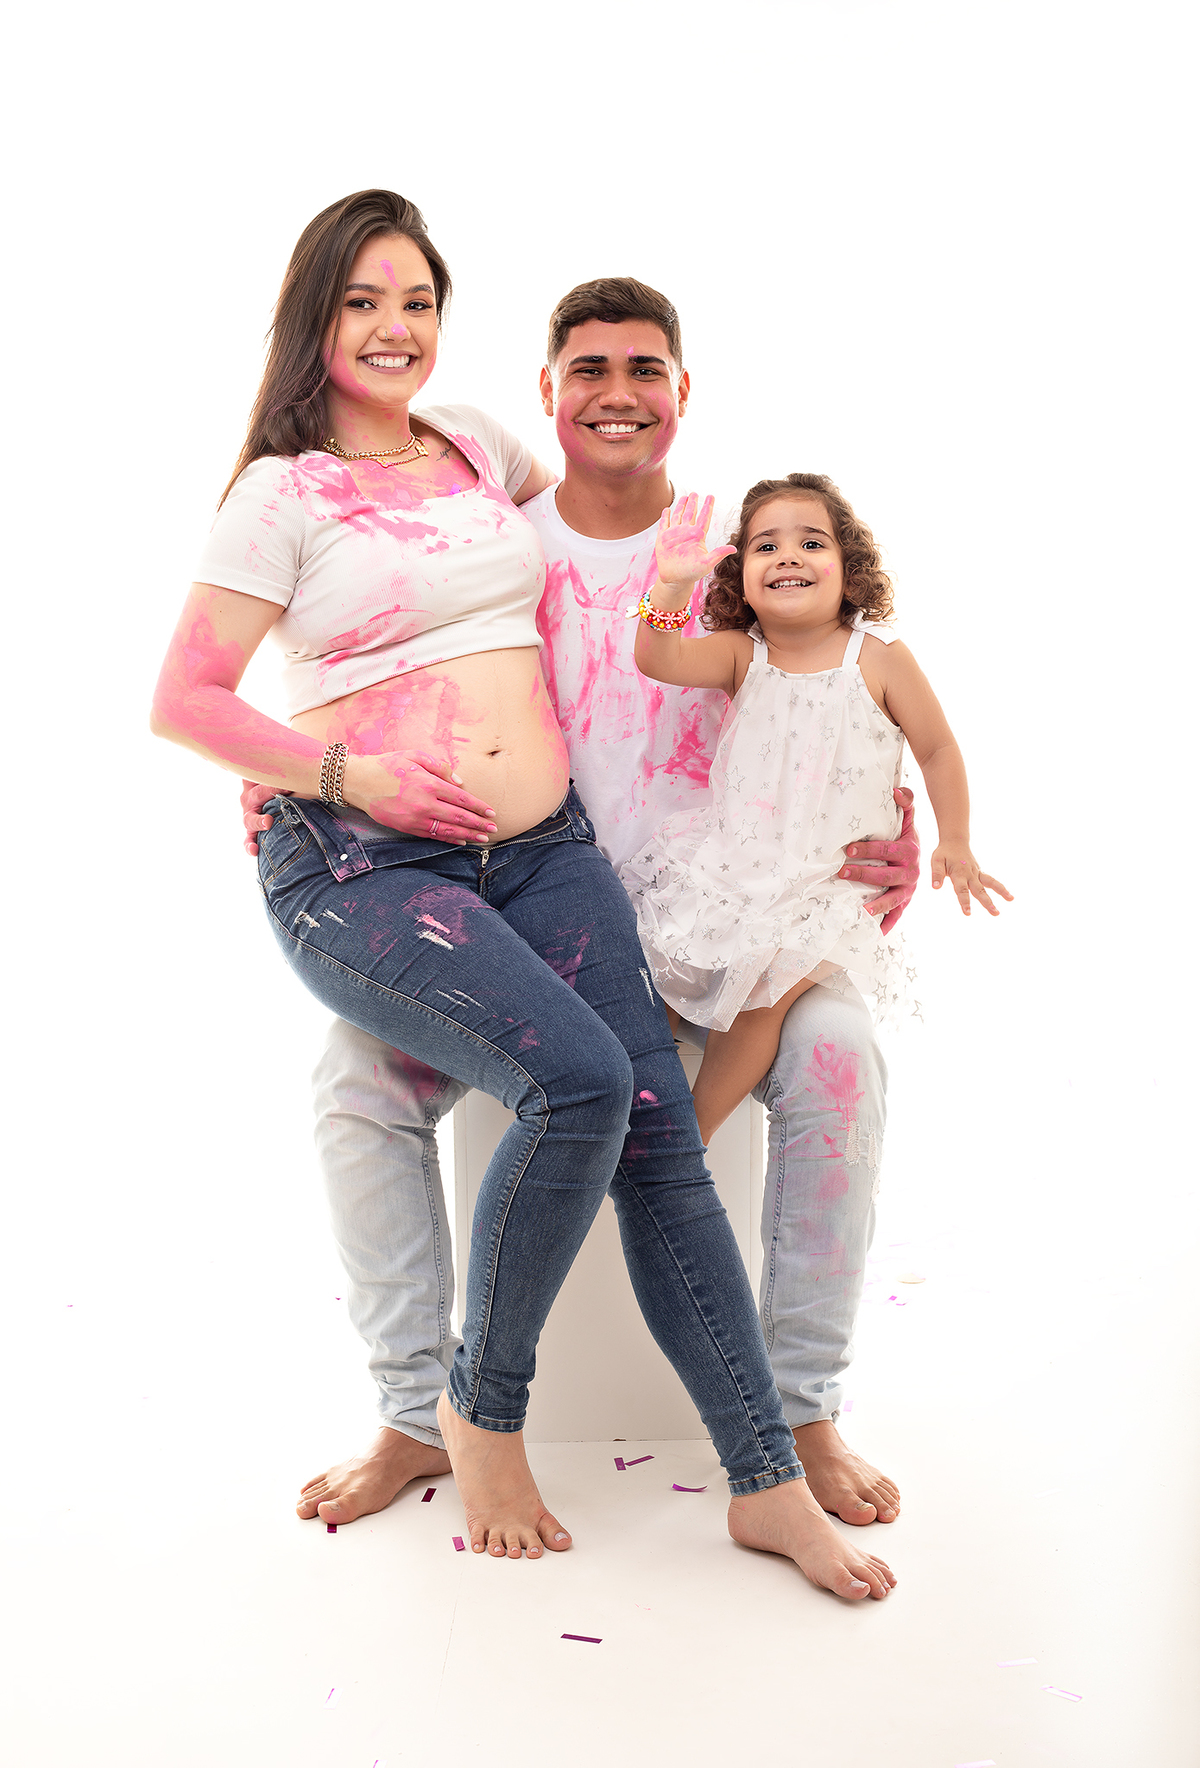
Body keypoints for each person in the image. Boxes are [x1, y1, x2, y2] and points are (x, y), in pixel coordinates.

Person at [153, 190, 895, 1598]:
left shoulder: (474, 447)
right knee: (572, 1081)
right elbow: (184, 698)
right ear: (314, 316)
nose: (395, 328)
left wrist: (890, 804)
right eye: (363, 301)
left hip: (545, 850)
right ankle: (467, 1415)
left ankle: (765, 1475)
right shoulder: (279, 492)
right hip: (374, 863)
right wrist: (330, 772)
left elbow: (795, 655)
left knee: (653, 1128)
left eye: (418, 302)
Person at [623, 480, 1012, 1144]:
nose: (788, 556)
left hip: (828, 887)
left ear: (848, 568)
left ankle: (686, 1140)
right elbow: (657, 657)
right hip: (734, 867)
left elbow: (938, 749)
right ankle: (633, 1116)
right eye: (765, 547)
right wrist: (671, 585)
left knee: (762, 995)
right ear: (740, 579)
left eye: (811, 543)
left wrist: (956, 838)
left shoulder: (879, 657)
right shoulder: (744, 653)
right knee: (657, 973)